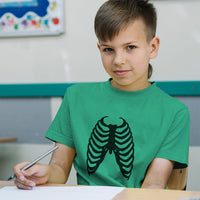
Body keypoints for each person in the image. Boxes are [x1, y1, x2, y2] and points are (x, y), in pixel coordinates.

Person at [13, 0, 190, 190]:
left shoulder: (174, 112)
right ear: (99, 49)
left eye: (130, 47)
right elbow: (59, 169)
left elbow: (154, 184)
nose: (118, 60)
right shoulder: (76, 98)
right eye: (108, 49)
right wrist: (44, 173)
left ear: (152, 47)